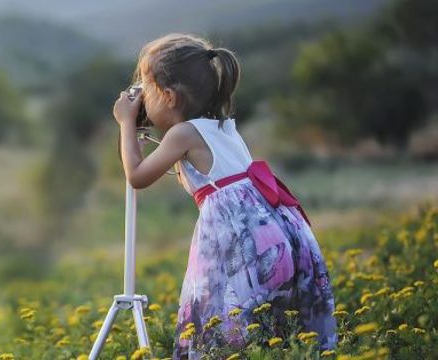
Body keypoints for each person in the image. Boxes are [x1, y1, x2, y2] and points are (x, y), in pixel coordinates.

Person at [112, 33, 335, 359]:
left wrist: (125, 124)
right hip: (278, 236)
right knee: (271, 328)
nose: (141, 98)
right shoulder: (222, 126)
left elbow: (136, 176)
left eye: (146, 89)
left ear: (169, 96)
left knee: (224, 324)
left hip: (241, 246)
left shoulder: (183, 134)